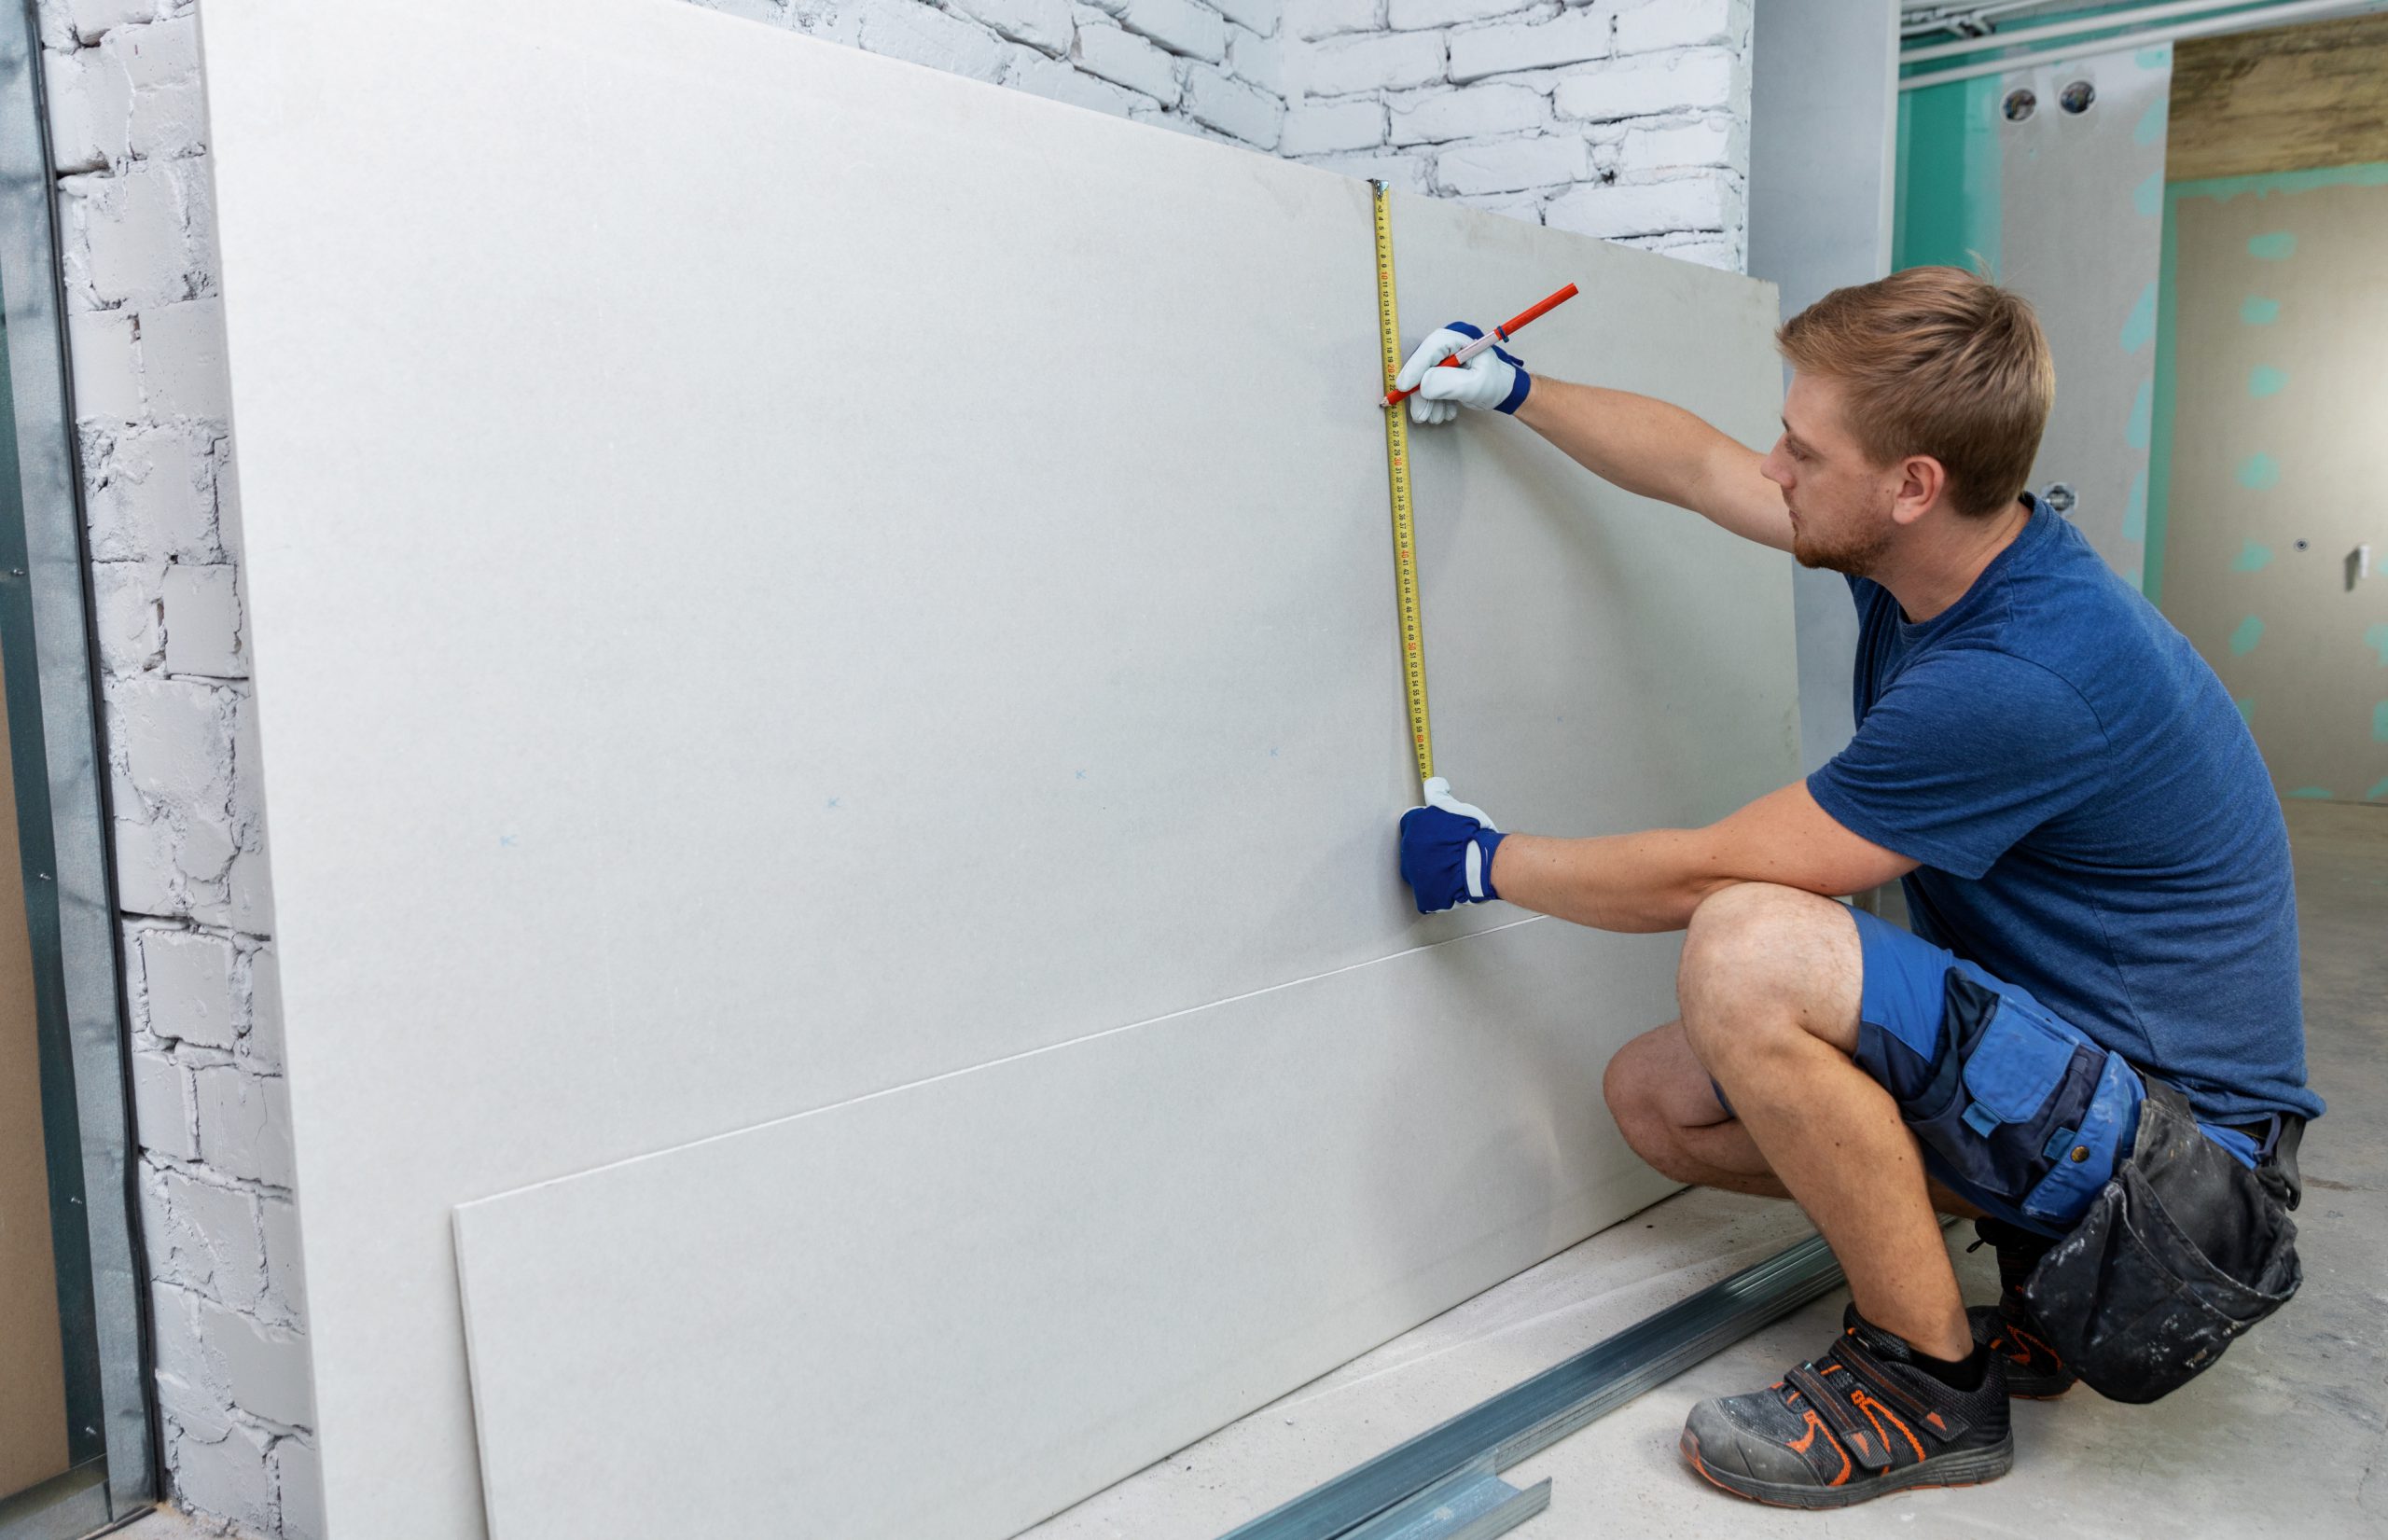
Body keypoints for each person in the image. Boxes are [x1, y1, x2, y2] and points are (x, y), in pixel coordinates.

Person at [1391, 269, 2320, 1509]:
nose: (1776, 468)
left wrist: (1485, 861)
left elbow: (1714, 869)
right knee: (1661, 1101)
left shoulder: (2022, 672)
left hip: (2188, 1182)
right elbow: (1701, 469)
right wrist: (1518, 389)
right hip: (2103, 1093)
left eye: (1805, 450)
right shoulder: (1941, 559)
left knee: (1751, 943)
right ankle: (2042, 1270)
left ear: (1911, 485)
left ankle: (1924, 1385)